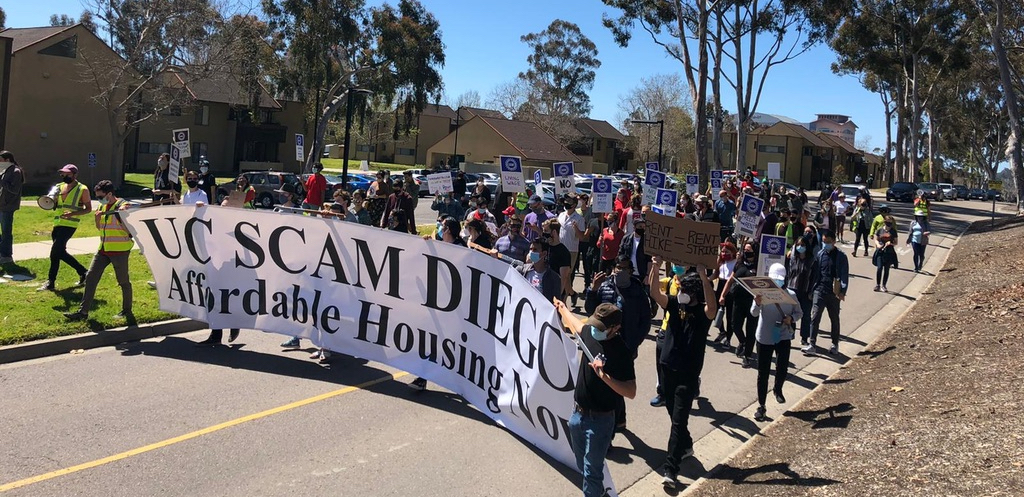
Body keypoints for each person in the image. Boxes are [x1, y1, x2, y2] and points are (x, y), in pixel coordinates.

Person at [648, 256, 716, 490]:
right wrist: (656, 267)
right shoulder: (676, 305)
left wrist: (704, 278)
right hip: (668, 369)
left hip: (687, 375)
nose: (682, 291)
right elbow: (656, 294)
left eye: (686, 288)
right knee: (674, 415)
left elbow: (712, 307)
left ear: (695, 292)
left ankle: (670, 469)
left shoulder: (703, 315)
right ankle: (686, 446)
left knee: (678, 421)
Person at [554, 300, 634, 497]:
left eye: (601, 327)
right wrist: (562, 308)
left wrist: (605, 377)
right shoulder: (590, 332)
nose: (594, 330)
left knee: (591, 472)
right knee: (582, 464)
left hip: (600, 421)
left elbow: (631, 391)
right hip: (577, 415)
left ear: (615, 328)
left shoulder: (621, 352)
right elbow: (575, 324)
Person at [584, 254, 651, 431]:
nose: (620, 271)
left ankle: (616, 420)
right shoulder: (605, 287)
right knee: (608, 383)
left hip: (626, 346)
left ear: (630, 271)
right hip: (604, 343)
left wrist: (634, 342)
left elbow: (645, 320)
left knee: (619, 382)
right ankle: (616, 420)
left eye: (624, 268)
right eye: (618, 268)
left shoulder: (637, 291)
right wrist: (593, 290)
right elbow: (591, 312)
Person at [63, 180, 133, 321]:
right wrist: (97, 219)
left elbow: (130, 231)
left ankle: (127, 310)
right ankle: (83, 313)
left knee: (123, 281)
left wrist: (122, 215)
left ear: (110, 194)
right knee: (91, 278)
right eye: (98, 197)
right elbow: (101, 229)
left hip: (120, 251)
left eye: (101, 196)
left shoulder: (123, 206)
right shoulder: (103, 207)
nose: (99, 199)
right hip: (103, 250)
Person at [750, 263, 802, 421]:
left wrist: (791, 318)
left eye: (779, 280)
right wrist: (757, 303)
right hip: (765, 337)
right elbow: (753, 313)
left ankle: (778, 388)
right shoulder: (761, 295)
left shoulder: (791, 295)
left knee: (782, 367)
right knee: (763, 372)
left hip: (783, 336)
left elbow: (799, 312)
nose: (777, 283)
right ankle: (762, 406)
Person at [39, 165, 92, 291]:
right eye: (62, 174)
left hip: (70, 225)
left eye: (67, 174)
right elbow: (53, 204)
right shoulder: (58, 187)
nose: (64, 176)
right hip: (57, 224)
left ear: (74, 175)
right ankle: (83, 272)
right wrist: (52, 201)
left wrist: (73, 214)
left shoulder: (82, 189)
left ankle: (51, 282)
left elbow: (88, 209)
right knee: (58, 253)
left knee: (55, 252)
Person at [802, 230, 849, 356]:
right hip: (820, 290)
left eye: (828, 242)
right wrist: (811, 289)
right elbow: (814, 273)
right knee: (815, 317)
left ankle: (835, 344)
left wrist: (842, 291)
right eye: (824, 242)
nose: (825, 244)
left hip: (834, 293)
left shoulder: (841, 257)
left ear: (834, 241)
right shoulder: (820, 255)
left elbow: (844, 275)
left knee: (834, 318)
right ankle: (812, 344)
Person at [719, 241, 759, 366]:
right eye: (745, 250)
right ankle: (743, 341)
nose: (747, 252)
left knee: (750, 329)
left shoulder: (759, 266)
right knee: (735, 325)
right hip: (738, 300)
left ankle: (747, 355)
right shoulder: (739, 264)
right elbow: (731, 280)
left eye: (749, 250)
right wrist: (722, 295)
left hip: (752, 302)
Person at [786, 235, 816, 345]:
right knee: (791, 313)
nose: (800, 247)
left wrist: (812, 291)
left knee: (805, 315)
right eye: (798, 245)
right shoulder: (793, 259)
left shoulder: (812, 260)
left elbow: (814, 277)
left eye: (802, 245)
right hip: (792, 290)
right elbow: (788, 273)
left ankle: (804, 338)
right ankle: (790, 333)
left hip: (806, 291)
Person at [711, 242, 738, 345]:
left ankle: (728, 339)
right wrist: (706, 279)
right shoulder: (721, 262)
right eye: (722, 251)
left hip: (730, 288)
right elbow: (715, 274)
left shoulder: (736, 262)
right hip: (720, 286)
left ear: (732, 252)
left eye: (726, 252)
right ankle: (722, 331)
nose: (723, 253)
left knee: (729, 316)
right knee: (715, 311)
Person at [0, 151, 24, 264]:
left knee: (6, 231)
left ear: (8, 160)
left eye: (1, 160)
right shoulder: (5, 170)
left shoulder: (16, 171)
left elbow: (14, 190)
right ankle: (2, 251)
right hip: (1, 205)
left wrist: (2, 182)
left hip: (8, 206)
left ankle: (6, 255)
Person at [542, 219, 574, 302]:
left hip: (555, 292)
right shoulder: (544, 247)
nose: (544, 233)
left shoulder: (563, 252)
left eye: (546, 231)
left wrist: (557, 297)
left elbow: (563, 278)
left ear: (554, 232)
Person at [617, 217, 650, 290]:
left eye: (644, 227)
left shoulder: (647, 241)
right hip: (628, 273)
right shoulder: (626, 238)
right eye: (640, 226)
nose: (642, 228)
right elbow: (620, 254)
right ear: (634, 227)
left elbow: (649, 260)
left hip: (642, 274)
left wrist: (647, 275)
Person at [872, 215, 898, 293]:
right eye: (887, 222)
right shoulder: (880, 230)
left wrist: (891, 243)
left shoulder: (893, 231)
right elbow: (876, 239)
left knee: (886, 269)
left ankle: (884, 285)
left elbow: (896, 242)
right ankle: (877, 285)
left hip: (889, 252)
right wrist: (878, 245)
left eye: (890, 222)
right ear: (884, 222)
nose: (889, 224)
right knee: (879, 268)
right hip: (880, 252)